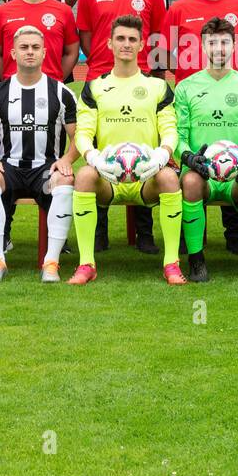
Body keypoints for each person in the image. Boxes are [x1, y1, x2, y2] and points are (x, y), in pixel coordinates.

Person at [70, 15, 184, 285]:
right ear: (109, 43)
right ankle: (86, 264)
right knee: (84, 176)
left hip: (147, 174)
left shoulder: (157, 87)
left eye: (132, 39)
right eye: (120, 38)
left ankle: (171, 263)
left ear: (142, 44)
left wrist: (162, 155)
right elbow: (83, 133)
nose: (126, 44)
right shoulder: (95, 87)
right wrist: (94, 158)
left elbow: (169, 129)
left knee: (169, 177)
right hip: (108, 175)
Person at [74, 0, 168, 252]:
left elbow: (156, 37)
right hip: (101, 80)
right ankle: (98, 232)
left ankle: (145, 233)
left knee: (143, 152)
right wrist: (102, 63)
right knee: (101, 157)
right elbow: (87, 37)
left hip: (141, 82)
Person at [0, 26, 78, 283]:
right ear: (13, 53)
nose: (30, 52)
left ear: (45, 52)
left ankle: (51, 263)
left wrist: (65, 161)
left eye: (35, 47)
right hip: (8, 167)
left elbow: (78, 138)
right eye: (24, 47)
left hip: (45, 169)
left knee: (64, 183)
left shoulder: (62, 93)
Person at [174, 18, 238, 283]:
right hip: (201, 172)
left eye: (224, 42)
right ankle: (196, 260)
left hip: (235, 174)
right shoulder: (186, 87)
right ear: (202, 46)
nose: (219, 48)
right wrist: (189, 158)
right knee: (190, 182)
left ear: (235, 45)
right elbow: (178, 136)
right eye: (212, 42)